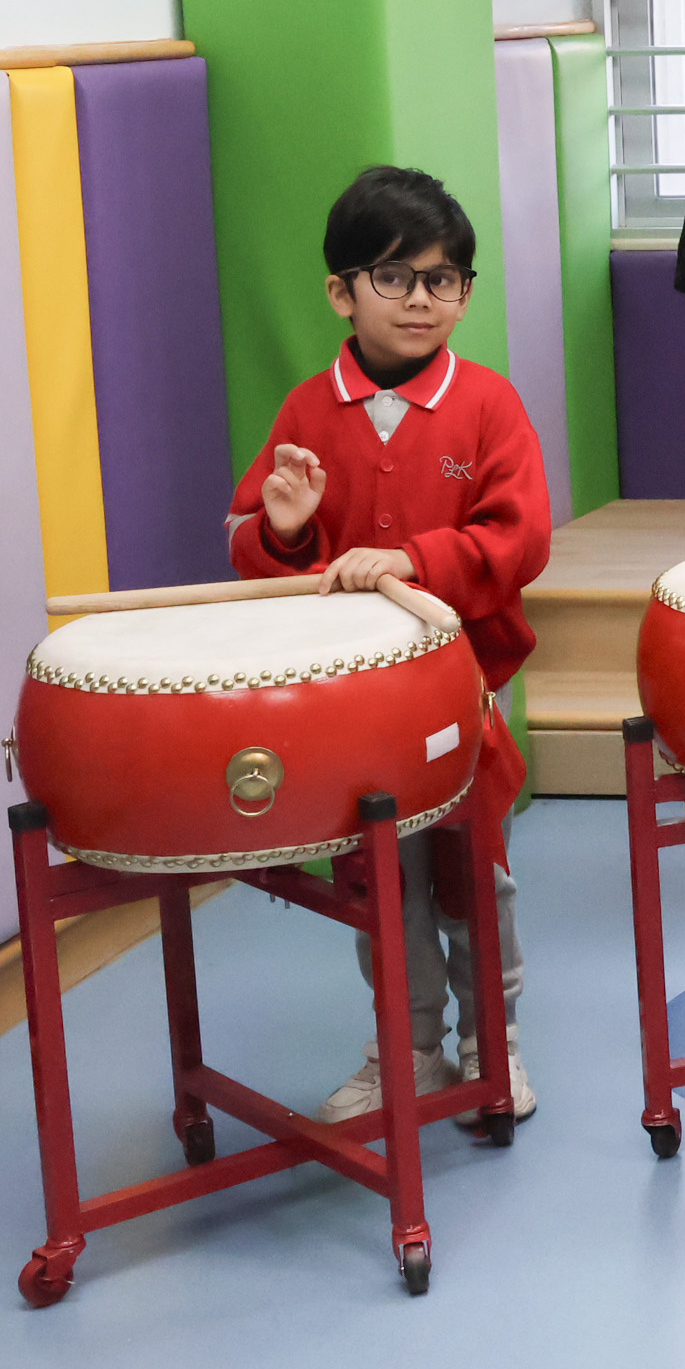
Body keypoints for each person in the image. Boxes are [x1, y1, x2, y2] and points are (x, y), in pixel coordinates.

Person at [228, 166, 550, 1125]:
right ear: (342, 292)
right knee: (382, 879)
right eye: (395, 277)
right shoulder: (306, 411)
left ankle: (493, 1048)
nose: (421, 299)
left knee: (471, 871)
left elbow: (521, 538)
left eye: (444, 279)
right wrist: (286, 532)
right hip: (353, 700)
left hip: (460, 685)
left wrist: (412, 558)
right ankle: (407, 1050)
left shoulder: (488, 404)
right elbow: (253, 545)